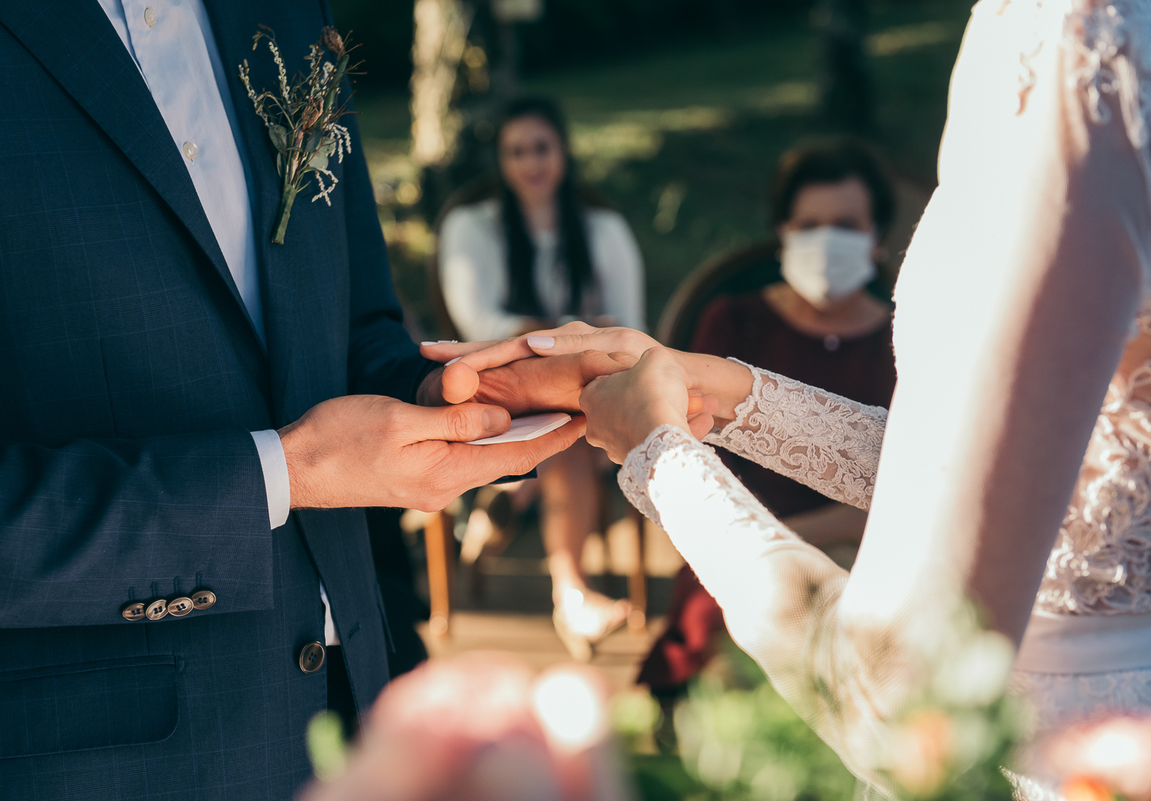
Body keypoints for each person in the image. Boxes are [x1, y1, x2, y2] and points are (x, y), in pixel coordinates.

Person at [424, 0, 1151, 794]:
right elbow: (1012, 467)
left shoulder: (1089, 54)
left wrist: (662, 459)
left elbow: (897, 697)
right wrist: (706, 386)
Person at [0, 4, 616, 800]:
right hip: (85, 760)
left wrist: (458, 395)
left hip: (344, 710)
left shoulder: (291, 13)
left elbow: (354, 325)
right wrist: (281, 474)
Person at [638, 138, 898, 701]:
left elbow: (909, 492)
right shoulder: (733, 323)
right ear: (783, 233)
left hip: (870, 565)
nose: (826, 242)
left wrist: (808, 541)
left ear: (877, 237)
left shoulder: (904, 342)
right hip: (734, 548)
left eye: (846, 226)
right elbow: (686, 452)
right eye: (809, 226)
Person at [437, 97, 646, 659]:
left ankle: (515, 493)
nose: (530, 163)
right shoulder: (471, 227)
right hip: (502, 386)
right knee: (570, 427)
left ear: (563, 152)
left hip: (590, 388)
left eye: (541, 148)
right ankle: (571, 592)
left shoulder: (603, 230)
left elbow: (632, 327)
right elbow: (480, 326)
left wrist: (564, 341)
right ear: (501, 161)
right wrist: (573, 336)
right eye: (516, 152)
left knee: (570, 422)